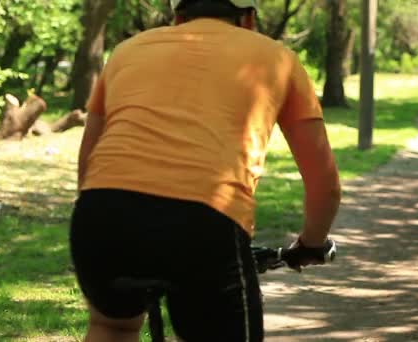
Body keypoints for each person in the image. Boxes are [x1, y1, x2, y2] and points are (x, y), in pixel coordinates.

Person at [69, 0, 341, 341]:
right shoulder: (278, 58)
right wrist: (311, 244)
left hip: (103, 213)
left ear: (178, 16)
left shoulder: (127, 51)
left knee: (113, 326)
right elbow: (324, 182)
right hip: (205, 221)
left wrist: (106, 217)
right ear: (250, 18)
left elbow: (88, 161)